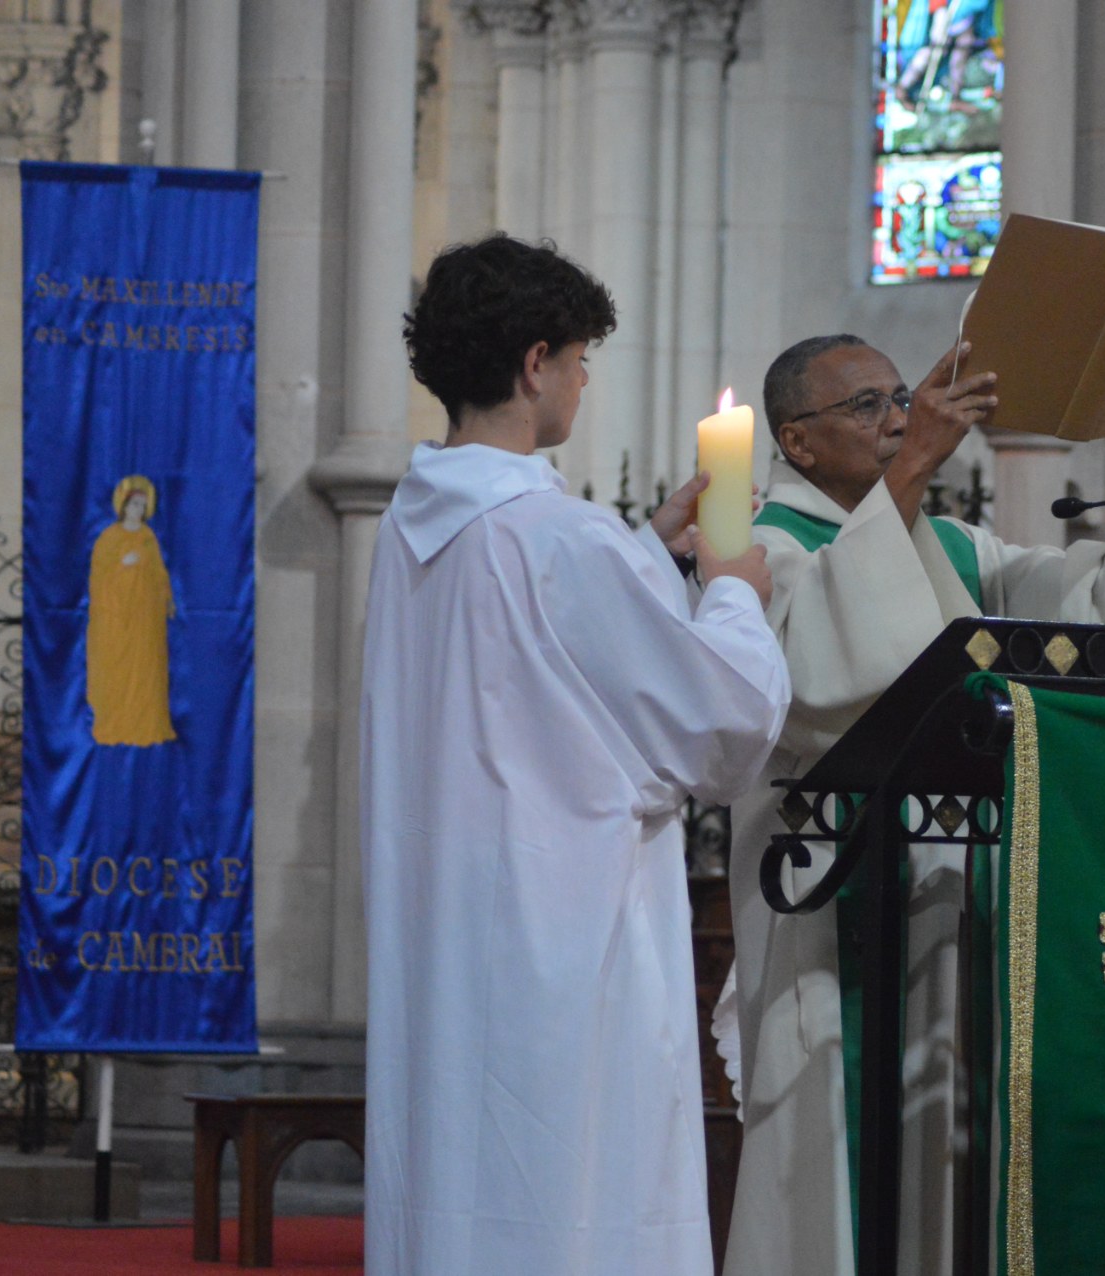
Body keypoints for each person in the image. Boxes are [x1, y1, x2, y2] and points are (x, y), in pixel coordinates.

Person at [722, 331, 1105, 1276]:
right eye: (865, 406)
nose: (898, 419)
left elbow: (1095, 615)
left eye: (900, 397)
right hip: (830, 908)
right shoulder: (762, 549)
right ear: (797, 441)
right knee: (835, 1184)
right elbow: (824, 684)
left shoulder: (948, 543)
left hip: (958, 905)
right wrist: (912, 468)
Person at [359, 234, 791, 1276]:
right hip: (564, 958)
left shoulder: (416, 529)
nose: (587, 382)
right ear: (534, 363)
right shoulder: (558, 538)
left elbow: (525, 682)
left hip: (453, 947)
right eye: (583, 359)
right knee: (569, 1213)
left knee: (461, 1205)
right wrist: (732, 586)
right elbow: (722, 727)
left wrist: (647, 553)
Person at [87, 474, 176, 746]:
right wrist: (122, 565)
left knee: (145, 670)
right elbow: (98, 579)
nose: (137, 510)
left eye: (142, 505)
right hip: (117, 619)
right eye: (133, 505)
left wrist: (166, 598)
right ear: (123, 507)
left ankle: (145, 724)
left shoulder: (149, 537)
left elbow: (159, 574)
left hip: (145, 618)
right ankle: (118, 723)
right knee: (119, 671)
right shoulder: (109, 538)